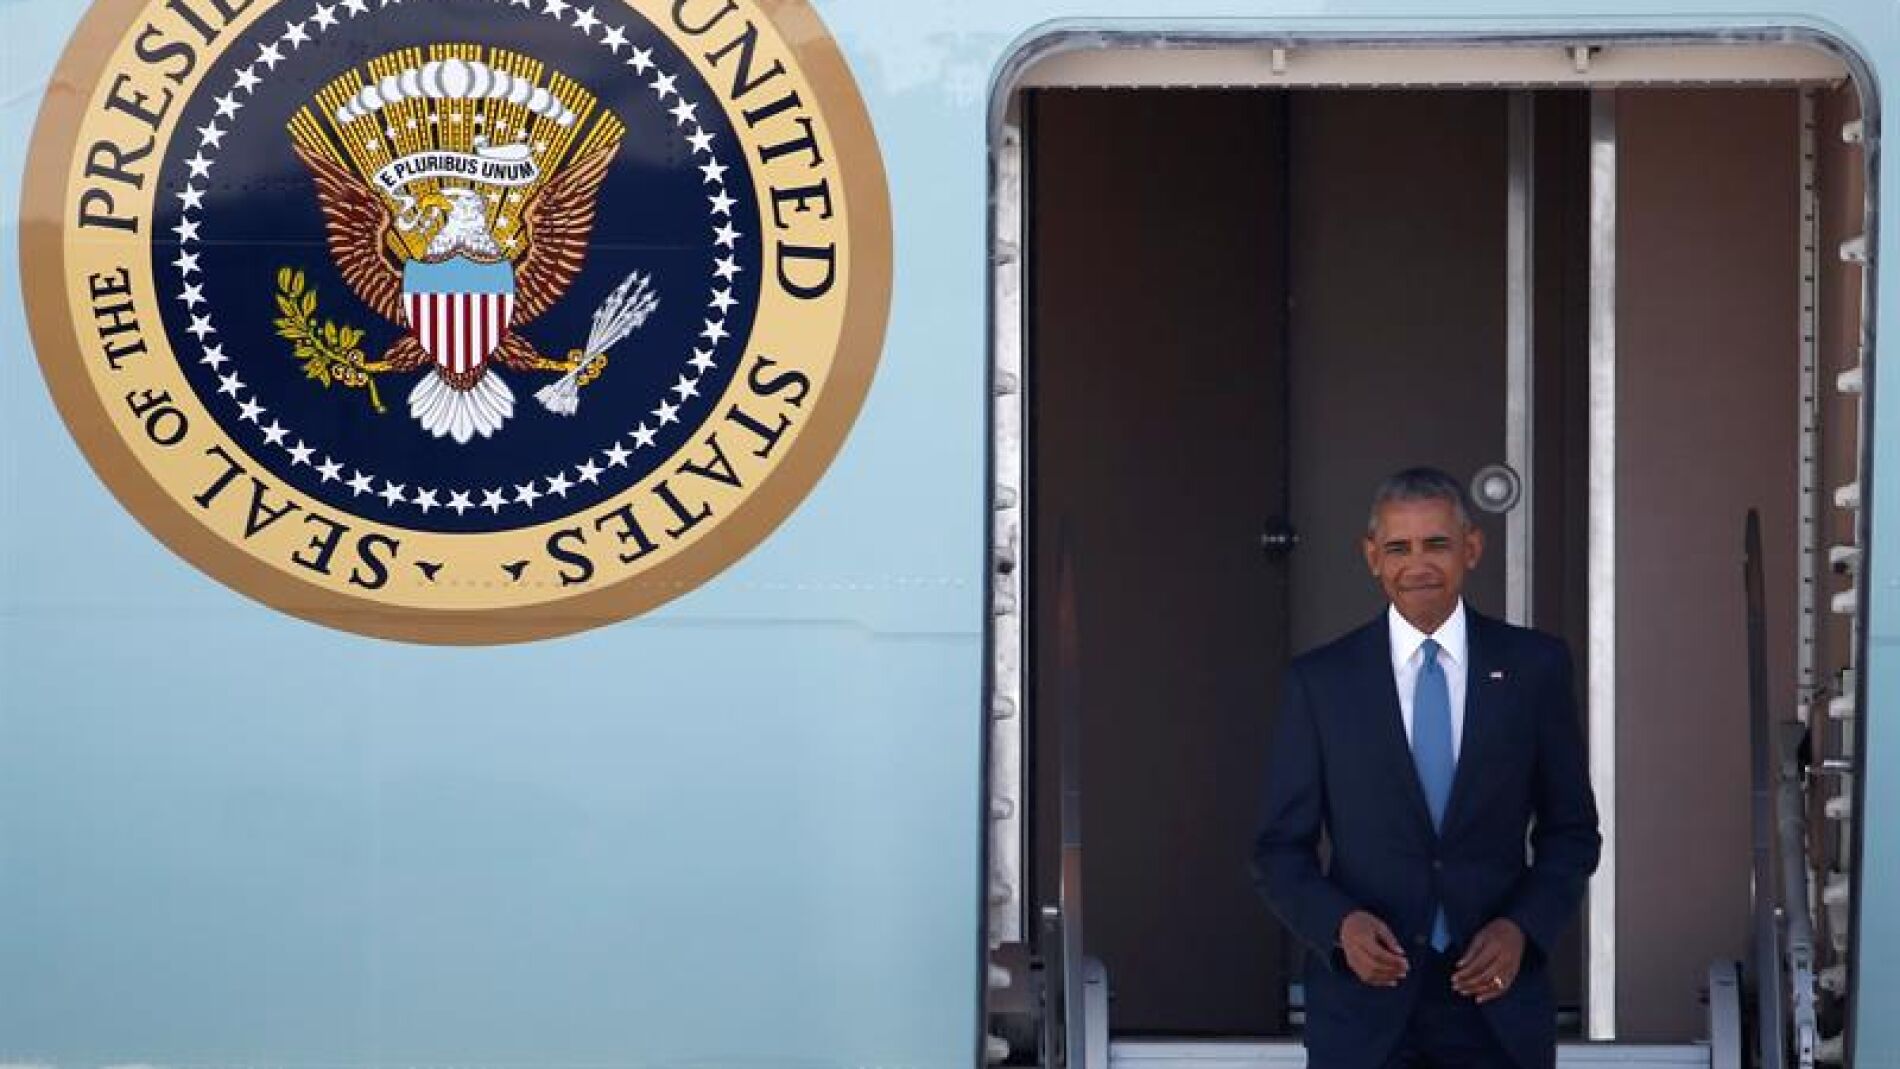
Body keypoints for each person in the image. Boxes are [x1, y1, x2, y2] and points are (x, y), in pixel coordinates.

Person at [1251, 467, 1601, 1069]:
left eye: (1436, 544)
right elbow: (1279, 850)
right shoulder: (1322, 682)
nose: (1418, 565)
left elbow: (1571, 832)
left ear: (1472, 548)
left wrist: (1522, 928)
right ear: (1372, 558)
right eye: (1398, 548)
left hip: (1495, 1004)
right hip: (1365, 1009)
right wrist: (1341, 927)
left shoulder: (1534, 668)